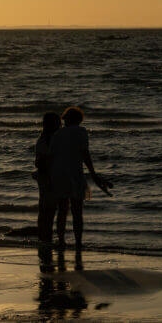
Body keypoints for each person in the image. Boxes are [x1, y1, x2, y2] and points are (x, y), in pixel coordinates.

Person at [49, 106, 113, 250]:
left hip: (58, 174)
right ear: (79, 120)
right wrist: (93, 173)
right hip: (74, 173)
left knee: (62, 210)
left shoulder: (57, 134)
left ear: (66, 119)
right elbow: (85, 153)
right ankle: (78, 242)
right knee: (77, 211)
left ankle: (61, 241)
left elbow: (52, 156)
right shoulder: (81, 132)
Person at [33, 112, 62, 242]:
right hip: (48, 177)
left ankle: (44, 235)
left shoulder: (44, 138)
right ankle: (45, 236)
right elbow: (41, 162)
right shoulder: (48, 139)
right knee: (48, 209)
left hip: (46, 177)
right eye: (58, 122)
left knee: (46, 208)